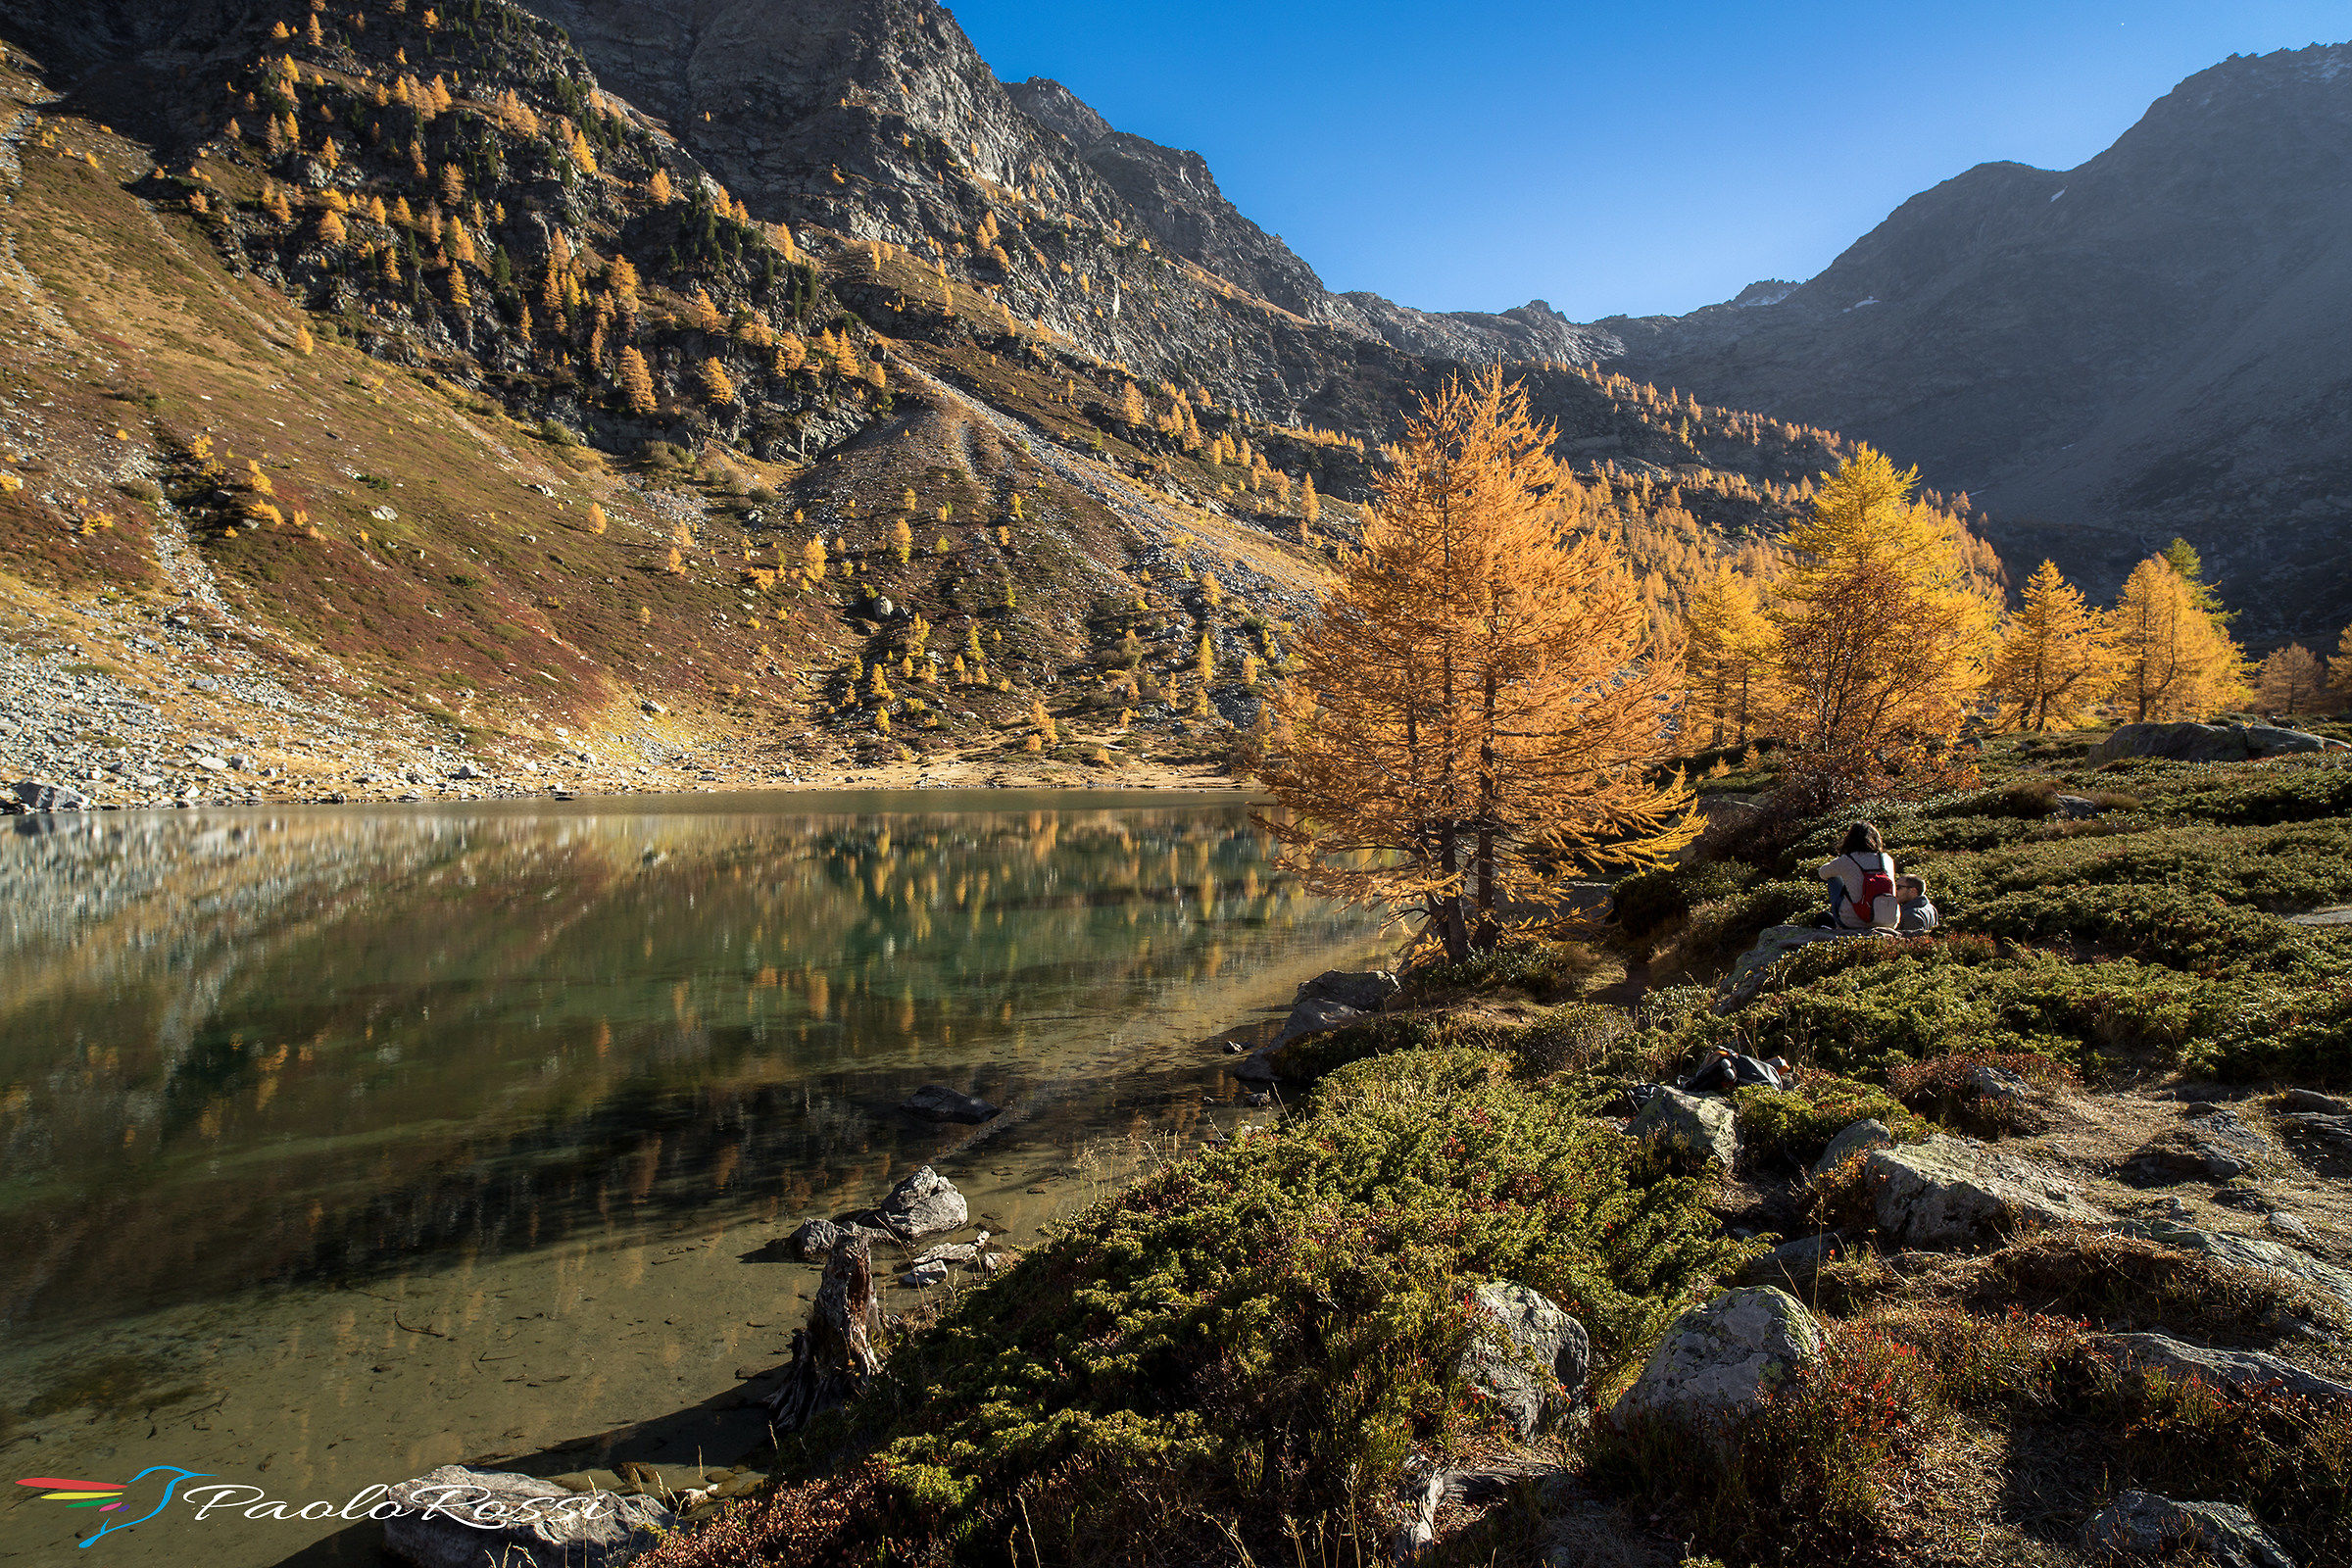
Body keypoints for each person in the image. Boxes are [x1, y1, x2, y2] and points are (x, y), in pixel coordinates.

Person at [1817, 821, 1898, 931]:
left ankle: (1839, 924)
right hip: (1889, 921)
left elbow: (1822, 873)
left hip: (1853, 921)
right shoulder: (1886, 859)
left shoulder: (1847, 860)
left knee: (1833, 878)